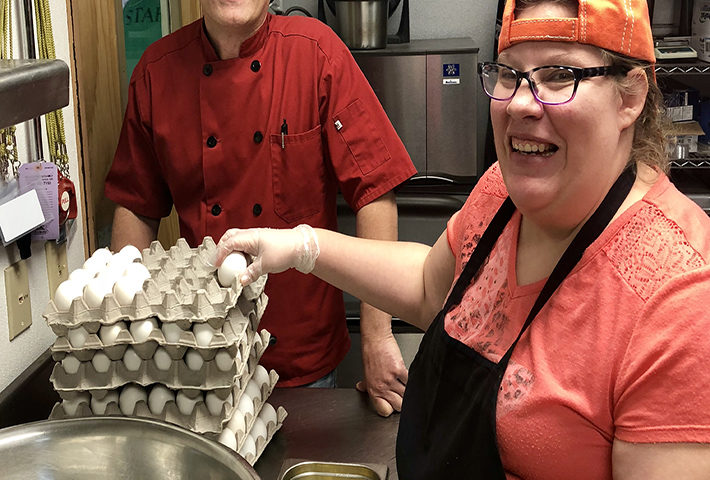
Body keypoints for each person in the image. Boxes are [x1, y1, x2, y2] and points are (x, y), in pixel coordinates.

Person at [214, 0, 710, 477]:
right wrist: (302, 246)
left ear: (631, 96)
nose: (518, 103)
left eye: (560, 75)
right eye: (510, 74)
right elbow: (433, 287)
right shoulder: (500, 192)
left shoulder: (680, 300)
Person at [104, 0, 417, 416]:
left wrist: (378, 336)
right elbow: (136, 206)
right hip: (200, 356)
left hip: (303, 359)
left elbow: (374, 188)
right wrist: (129, 334)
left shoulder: (317, 55)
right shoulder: (155, 73)